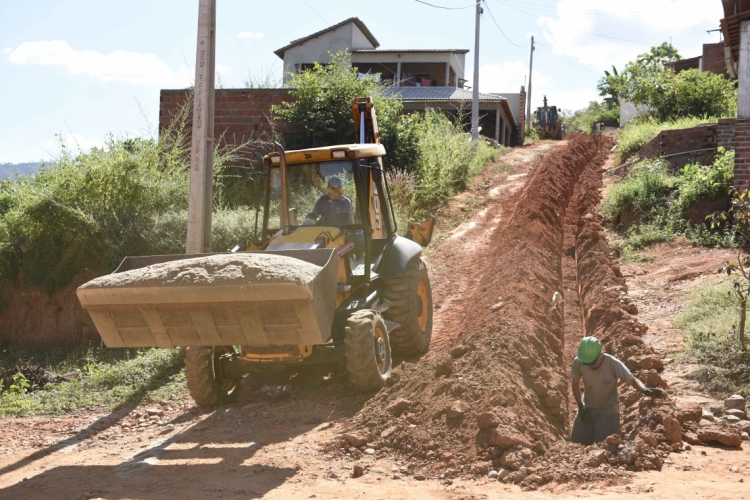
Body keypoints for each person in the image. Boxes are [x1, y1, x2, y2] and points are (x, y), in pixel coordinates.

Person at [570, 336, 666, 445]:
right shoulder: (579, 361)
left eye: (592, 362)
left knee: (605, 445)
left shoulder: (613, 364)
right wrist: (580, 406)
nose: (588, 365)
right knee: (576, 444)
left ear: (601, 354)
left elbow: (632, 380)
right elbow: (575, 383)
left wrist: (644, 389)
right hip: (587, 407)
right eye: (586, 363)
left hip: (608, 411)